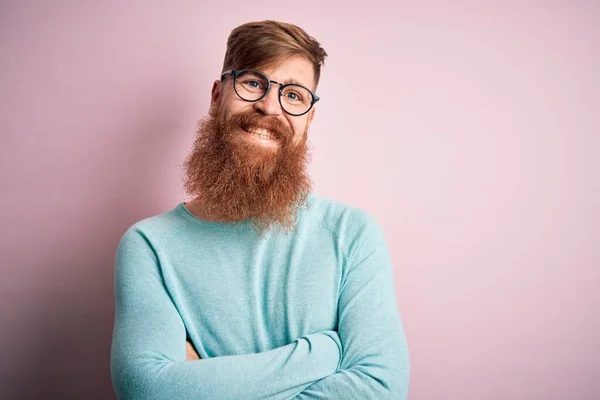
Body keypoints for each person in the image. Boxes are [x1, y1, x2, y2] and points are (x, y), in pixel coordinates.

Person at [110, 20, 409, 399]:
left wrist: (203, 382)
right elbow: (147, 391)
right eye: (253, 82)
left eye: (295, 95)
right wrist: (326, 351)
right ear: (218, 95)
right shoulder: (148, 246)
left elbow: (381, 389)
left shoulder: (352, 234)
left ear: (309, 119)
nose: (269, 107)